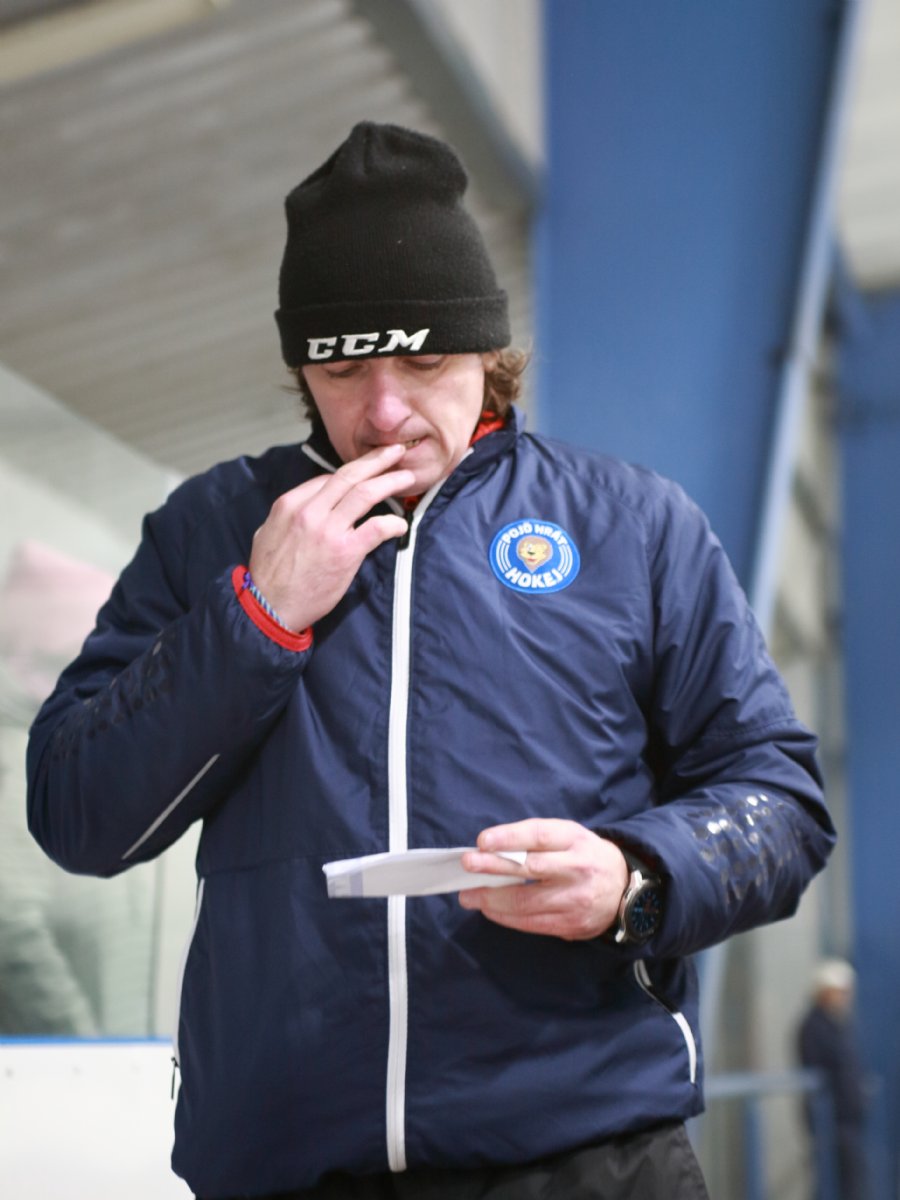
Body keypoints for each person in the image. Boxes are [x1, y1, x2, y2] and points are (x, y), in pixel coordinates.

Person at [27, 122, 835, 1200]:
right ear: (300, 368)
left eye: (425, 361)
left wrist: (635, 878)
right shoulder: (209, 529)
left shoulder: (633, 525)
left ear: (488, 356)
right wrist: (259, 614)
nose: (385, 412)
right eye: (343, 367)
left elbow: (781, 802)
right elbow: (78, 814)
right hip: (293, 1162)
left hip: (591, 1153)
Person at [798, 959, 870, 1200]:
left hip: (848, 1118)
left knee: (849, 1183)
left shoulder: (838, 1024)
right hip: (832, 1120)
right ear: (825, 992)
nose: (845, 998)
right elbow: (820, 1068)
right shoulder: (814, 1026)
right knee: (834, 1182)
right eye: (840, 992)